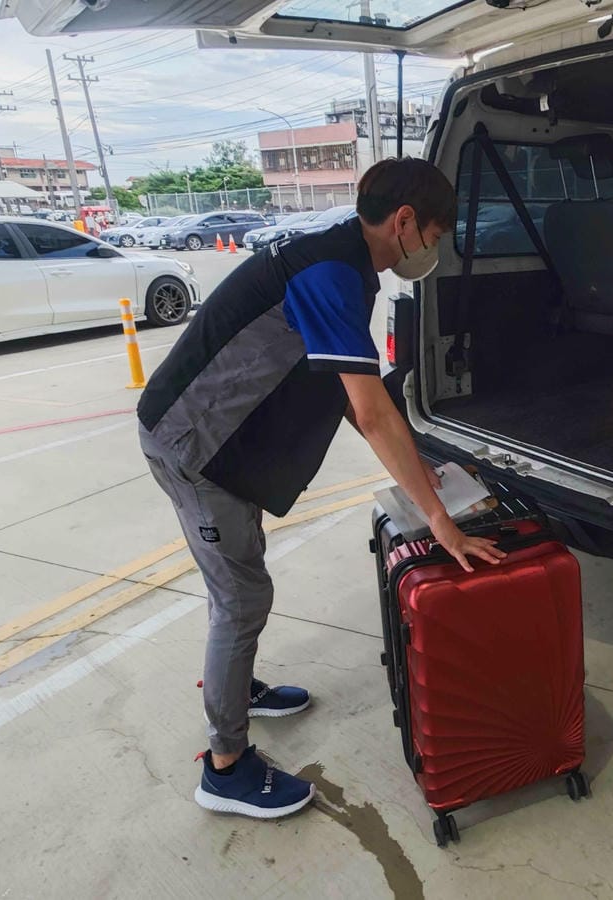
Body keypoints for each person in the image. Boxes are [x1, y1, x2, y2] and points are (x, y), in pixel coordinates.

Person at [137, 158, 505, 820]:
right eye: (438, 234)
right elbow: (368, 410)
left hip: (226, 440)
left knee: (240, 585)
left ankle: (238, 688)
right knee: (242, 597)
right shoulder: (333, 273)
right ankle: (225, 767)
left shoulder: (338, 254)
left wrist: (421, 474)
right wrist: (439, 519)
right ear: (405, 223)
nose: (437, 250)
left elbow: (350, 394)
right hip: (193, 444)